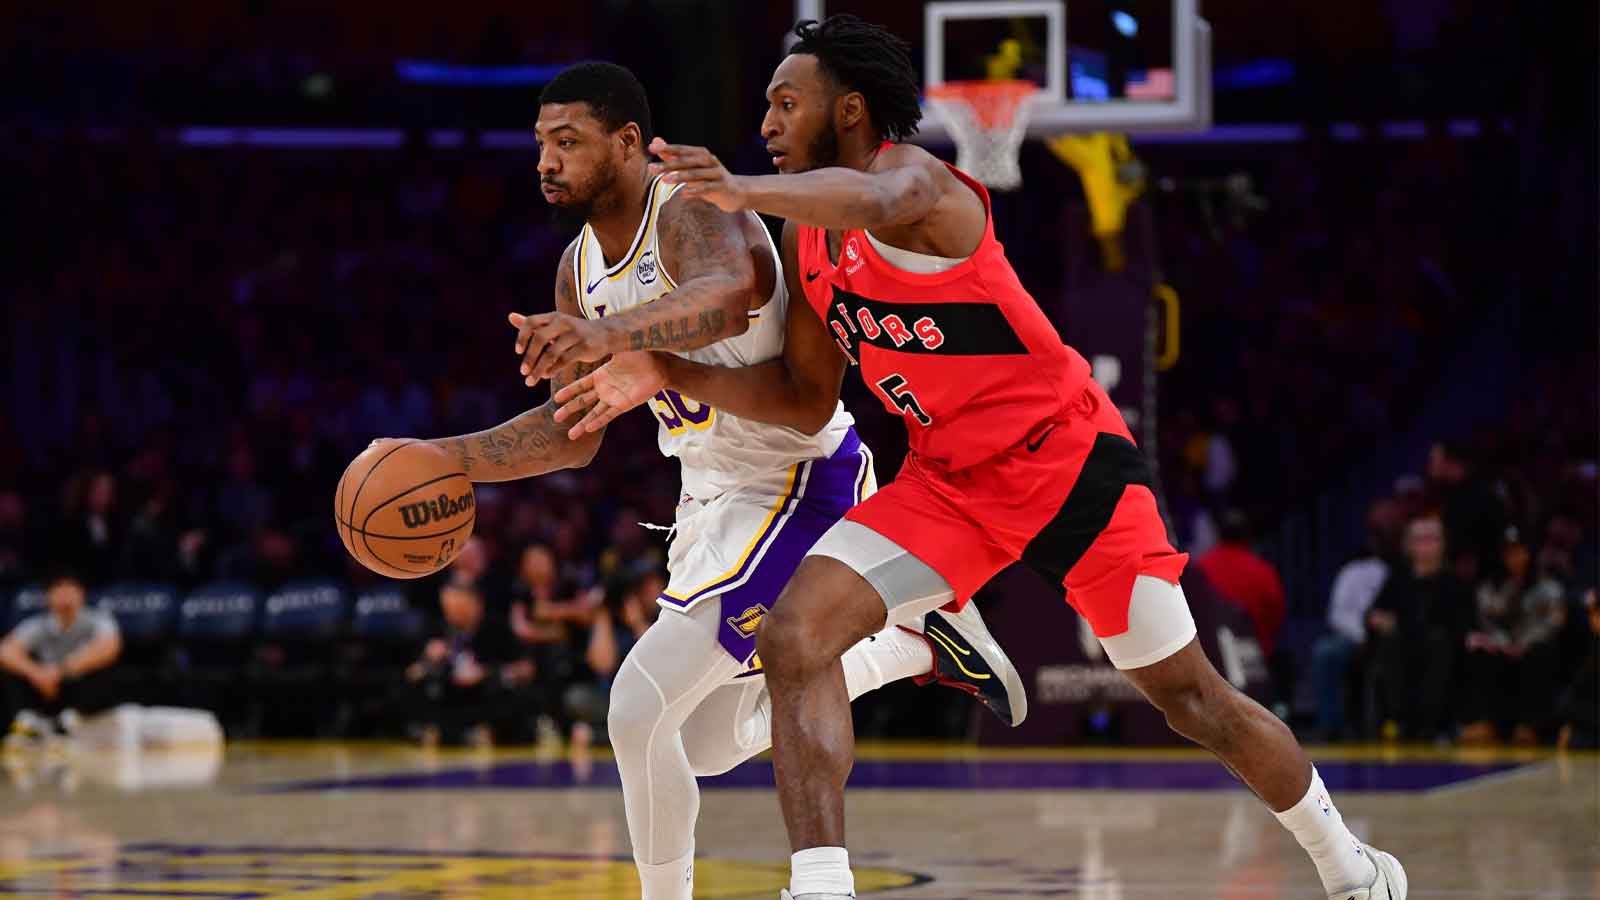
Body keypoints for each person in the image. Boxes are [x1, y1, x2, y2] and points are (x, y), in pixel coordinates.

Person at [554, 16, 1405, 900]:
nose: (765, 121)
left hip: (1070, 468)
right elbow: (807, 398)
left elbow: (878, 203)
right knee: (795, 634)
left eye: (785, 101)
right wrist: (660, 365)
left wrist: (742, 192)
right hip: (947, 484)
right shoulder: (812, 247)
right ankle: (821, 885)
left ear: (847, 110)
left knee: (1192, 701)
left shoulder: (921, 183)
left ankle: (1352, 867)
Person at [384, 61, 1023, 900]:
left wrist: (608, 336)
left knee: (635, 710)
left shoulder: (690, 210)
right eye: (541, 143)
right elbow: (574, 437)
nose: (547, 160)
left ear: (625, 143)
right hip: (711, 499)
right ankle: (906, 642)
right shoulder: (578, 271)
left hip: (799, 482)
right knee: (699, 745)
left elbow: (727, 297)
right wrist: (446, 457)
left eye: (568, 142)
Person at [1365, 515, 1471, 741]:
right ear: (1409, 545)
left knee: (1438, 643)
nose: (1426, 545)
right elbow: (1374, 614)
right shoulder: (1398, 579)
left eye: (1432, 538)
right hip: (1402, 648)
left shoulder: (1453, 583)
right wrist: (1379, 620)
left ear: (1443, 544)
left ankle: (1432, 725)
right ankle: (1397, 720)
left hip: (1439, 650)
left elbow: (1460, 625)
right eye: (1419, 539)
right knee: (1390, 645)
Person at [1459, 527, 1567, 745]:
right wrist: (1502, 642)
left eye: (1520, 552)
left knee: (1541, 655)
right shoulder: (1490, 587)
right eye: (1509, 553)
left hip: (1533, 647)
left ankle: (1530, 725)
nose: (1515, 559)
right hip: (1503, 648)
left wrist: (1524, 643)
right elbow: (1485, 621)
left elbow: (1554, 623)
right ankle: (1489, 723)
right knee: (1481, 653)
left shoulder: (1548, 587)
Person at [403, 581, 533, 747]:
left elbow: (527, 668)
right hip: (451, 697)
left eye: (458, 608)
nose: (451, 615)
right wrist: (428, 660)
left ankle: (469, 734)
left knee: (515, 697)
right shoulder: (438, 628)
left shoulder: (497, 628)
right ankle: (451, 734)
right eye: (447, 609)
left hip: (487, 695)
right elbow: (411, 673)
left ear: (475, 604)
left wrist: (486, 672)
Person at [1, 570, 123, 746]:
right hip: (47, 688)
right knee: (9, 670)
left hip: (79, 687)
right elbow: (6, 651)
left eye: (71, 589)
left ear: (82, 594)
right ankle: (28, 723)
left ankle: (74, 723)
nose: (65, 595)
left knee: (105, 672)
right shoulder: (38, 624)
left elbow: (109, 647)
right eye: (58, 589)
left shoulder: (98, 619)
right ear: (47, 597)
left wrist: (61, 670)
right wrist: (36, 672)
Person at [1310, 502, 1395, 740]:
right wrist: (1361, 635)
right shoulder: (1353, 571)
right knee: (1325, 652)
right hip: (1354, 637)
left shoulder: (1400, 571)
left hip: (1390, 637)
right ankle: (1331, 726)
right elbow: (1337, 613)